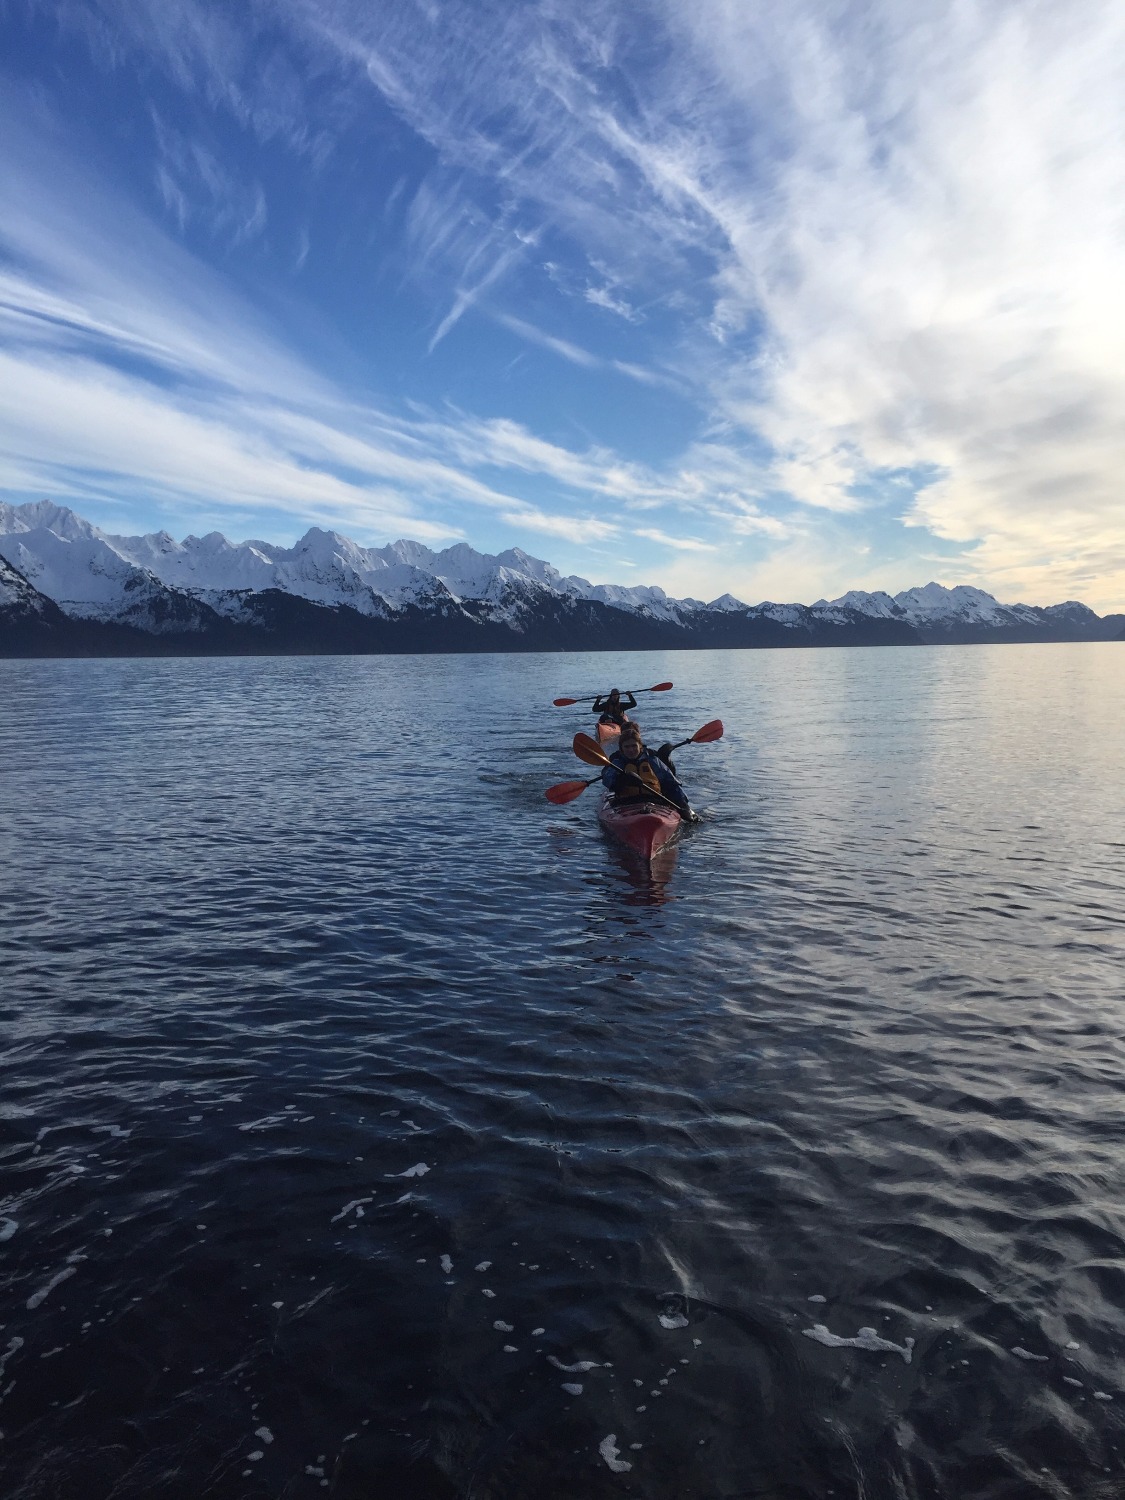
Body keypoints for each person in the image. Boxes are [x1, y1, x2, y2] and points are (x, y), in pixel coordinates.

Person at [602, 723, 691, 815]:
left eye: (634, 746)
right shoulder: (618, 762)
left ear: (640, 746)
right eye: (627, 747)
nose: (631, 750)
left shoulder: (652, 760)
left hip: (654, 801)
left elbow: (671, 783)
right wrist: (622, 780)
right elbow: (607, 780)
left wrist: (683, 805)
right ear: (621, 748)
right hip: (626, 802)